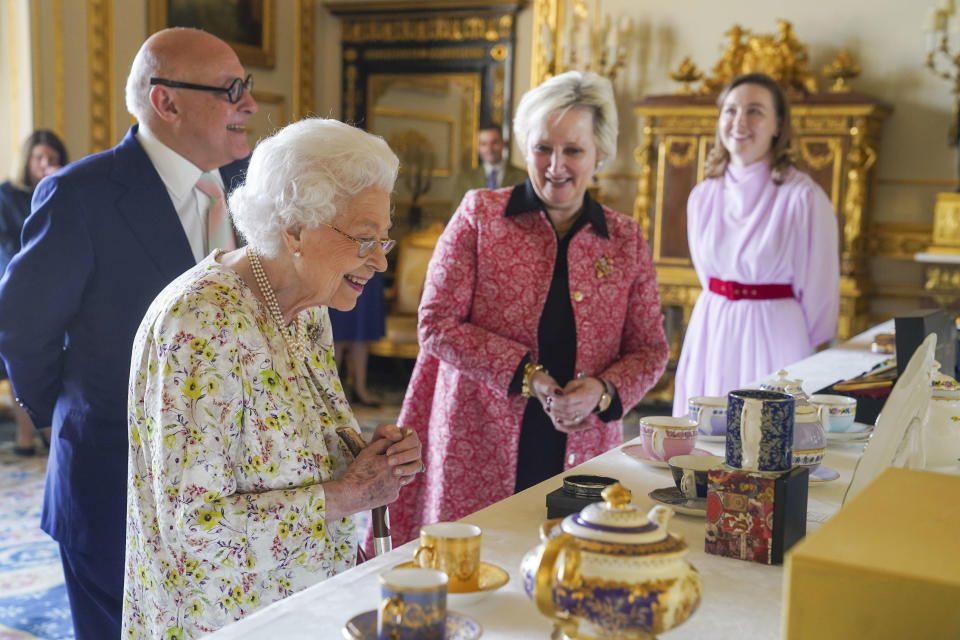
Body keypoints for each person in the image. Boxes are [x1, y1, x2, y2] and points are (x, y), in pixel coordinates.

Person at [0, 28, 256, 639]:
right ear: (165, 101)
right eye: (232, 90)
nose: (249, 105)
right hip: (113, 485)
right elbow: (22, 327)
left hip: (236, 486)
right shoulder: (80, 195)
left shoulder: (253, 185)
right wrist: (78, 416)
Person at [123, 117, 423, 639]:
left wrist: (367, 457)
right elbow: (193, 526)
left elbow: (287, 450)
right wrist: (347, 495)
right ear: (294, 231)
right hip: (226, 620)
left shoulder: (308, 307)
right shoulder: (200, 325)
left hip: (304, 602)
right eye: (364, 239)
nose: (379, 260)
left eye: (384, 240)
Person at [381, 70, 669, 549]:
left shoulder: (625, 239)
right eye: (542, 148)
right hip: (479, 438)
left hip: (583, 445)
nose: (556, 165)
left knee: (569, 568)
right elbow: (435, 324)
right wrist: (528, 375)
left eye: (573, 150)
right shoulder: (479, 215)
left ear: (600, 154)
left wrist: (601, 390)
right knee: (476, 567)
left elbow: (650, 349)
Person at [672, 73, 839, 417]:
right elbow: (707, 274)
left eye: (755, 111)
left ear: (778, 124)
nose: (739, 122)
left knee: (767, 441)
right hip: (712, 328)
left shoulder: (803, 197)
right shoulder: (703, 195)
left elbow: (821, 292)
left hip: (775, 334)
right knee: (706, 443)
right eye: (730, 110)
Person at [0, 129, 67, 455]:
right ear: (27, 159)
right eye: (39, 157)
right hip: (15, 284)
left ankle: (50, 431)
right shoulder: (6, 195)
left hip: (57, 287)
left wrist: (57, 185)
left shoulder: (66, 190)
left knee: (55, 359)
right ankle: (26, 435)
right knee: (17, 359)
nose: (45, 164)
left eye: (53, 159)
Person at [329, 273, 386, 407]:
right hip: (342, 265)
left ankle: (360, 389)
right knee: (336, 331)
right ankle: (330, 392)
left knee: (362, 331)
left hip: (369, 268)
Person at [452, 123, 528, 206]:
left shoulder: (523, 177)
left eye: (494, 143)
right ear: (478, 147)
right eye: (484, 144)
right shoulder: (466, 178)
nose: (489, 149)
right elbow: (456, 214)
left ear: (503, 143)